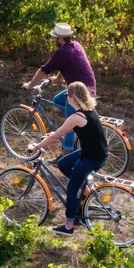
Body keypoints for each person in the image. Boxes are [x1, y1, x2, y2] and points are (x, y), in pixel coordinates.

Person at [29, 81, 108, 235]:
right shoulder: (88, 110)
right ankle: (85, 189)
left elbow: (57, 135)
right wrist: (51, 135)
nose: (65, 97)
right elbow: (61, 131)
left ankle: (68, 226)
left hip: (91, 158)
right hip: (96, 152)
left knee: (72, 189)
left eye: (67, 94)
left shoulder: (76, 117)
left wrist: (37, 146)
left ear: (73, 97)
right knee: (63, 163)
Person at [23, 22, 96, 152]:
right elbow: (65, 65)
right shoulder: (76, 45)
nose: (53, 40)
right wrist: (57, 79)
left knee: (69, 121)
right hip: (89, 87)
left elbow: (43, 70)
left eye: (55, 38)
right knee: (57, 100)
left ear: (61, 39)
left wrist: (29, 85)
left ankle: (66, 151)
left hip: (78, 92)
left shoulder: (62, 52)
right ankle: (77, 123)